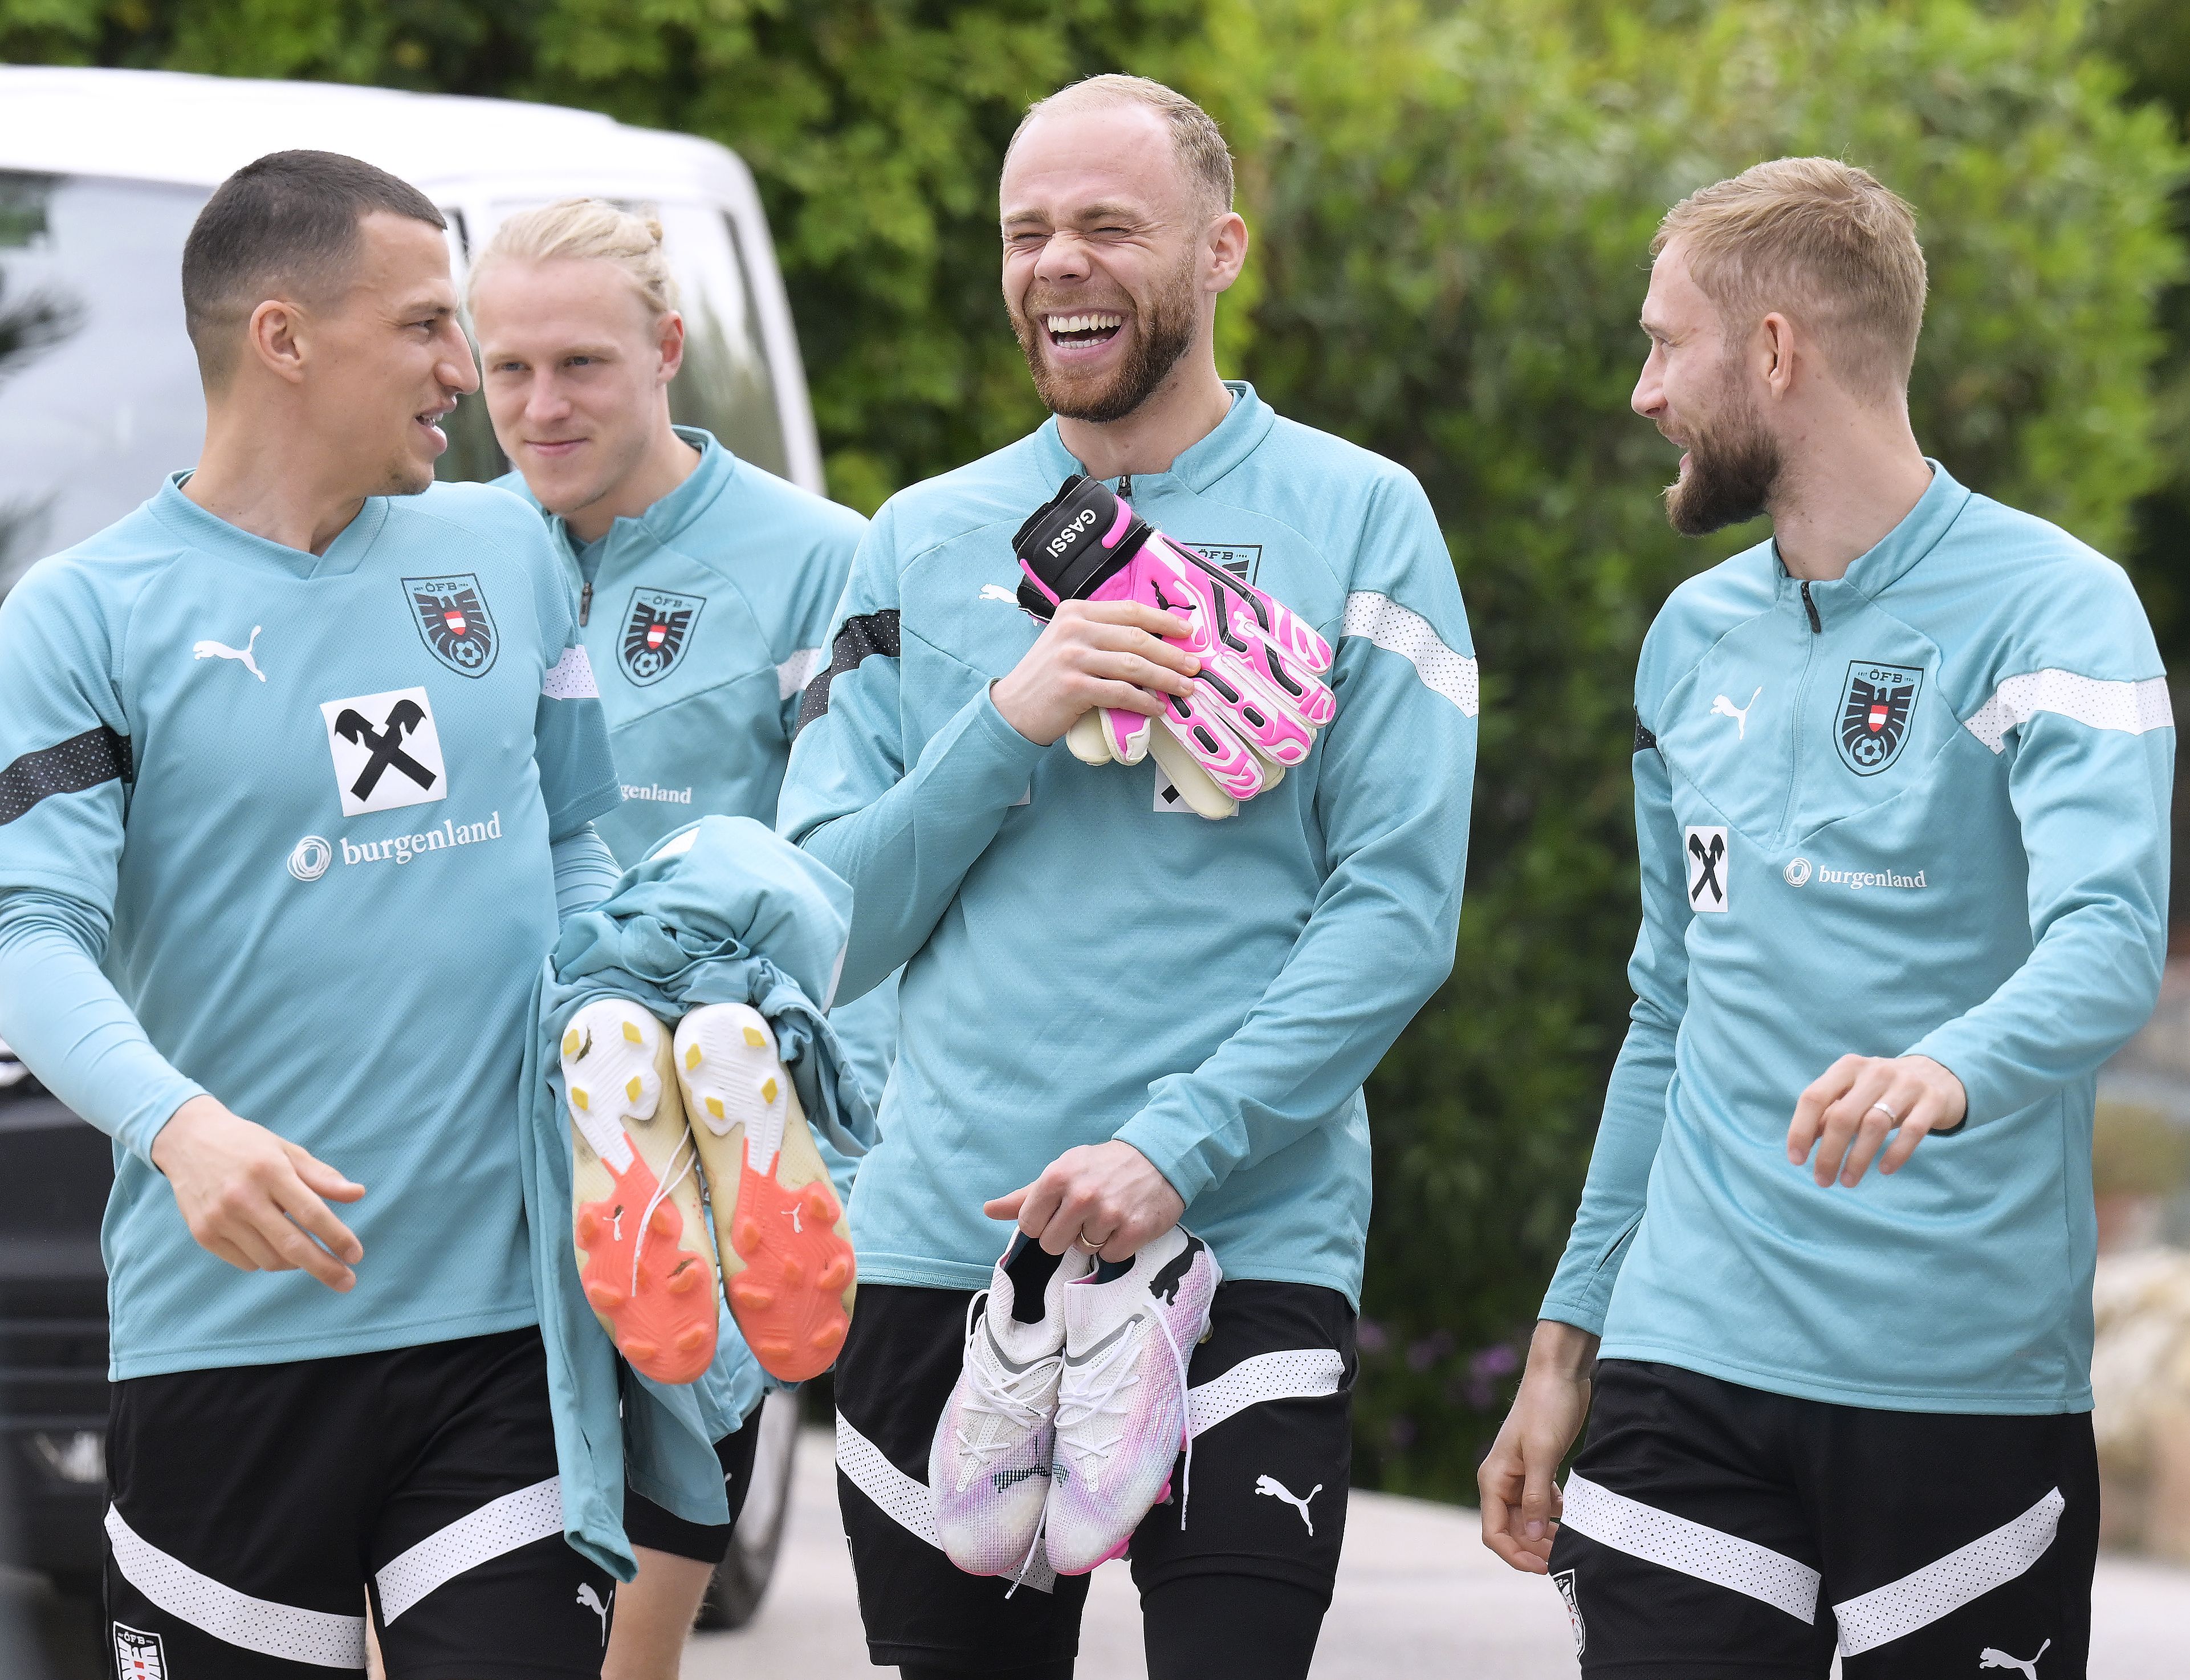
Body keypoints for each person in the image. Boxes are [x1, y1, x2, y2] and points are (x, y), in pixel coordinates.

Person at [779, 74, 1477, 1680]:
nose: (1058, 263)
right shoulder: (913, 537)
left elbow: (1393, 913)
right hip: (952, 1254)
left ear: (1222, 248)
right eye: (1027, 233)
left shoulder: (1362, 516)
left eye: (1106, 224)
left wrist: (1174, 1147)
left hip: (1246, 1240)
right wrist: (1012, 713)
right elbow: (831, 922)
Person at [1479, 158, 2172, 1679]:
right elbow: (1666, 1008)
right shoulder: (1686, 639)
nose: (1644, 388)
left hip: (1960, 1392)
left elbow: (2109, 937)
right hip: (1687, 1372)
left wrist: (1946, 1065)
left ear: (1775, 352)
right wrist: (1561, 1349)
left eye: (1666, 343)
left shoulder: (2056, 612)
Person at [0, 153, 629, 1675]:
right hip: (230, 1346)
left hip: (505, 1335)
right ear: (282, 338)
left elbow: (579, 853)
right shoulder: (82, 616)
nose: (463, 374)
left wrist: (617, 1016)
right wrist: (179, 1126)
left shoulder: (508, 552)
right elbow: (27, 936)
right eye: (423, 327)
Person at [468, 196, 884, 1680]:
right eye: (505, 368)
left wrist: (842, 1117)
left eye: (579, 363)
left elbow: (855, 876)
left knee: (611, 1653)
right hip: (480, 1154)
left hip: (696, 1146)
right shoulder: (452, 558)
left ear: (667, 348)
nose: (540, 405)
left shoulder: (818, 559)